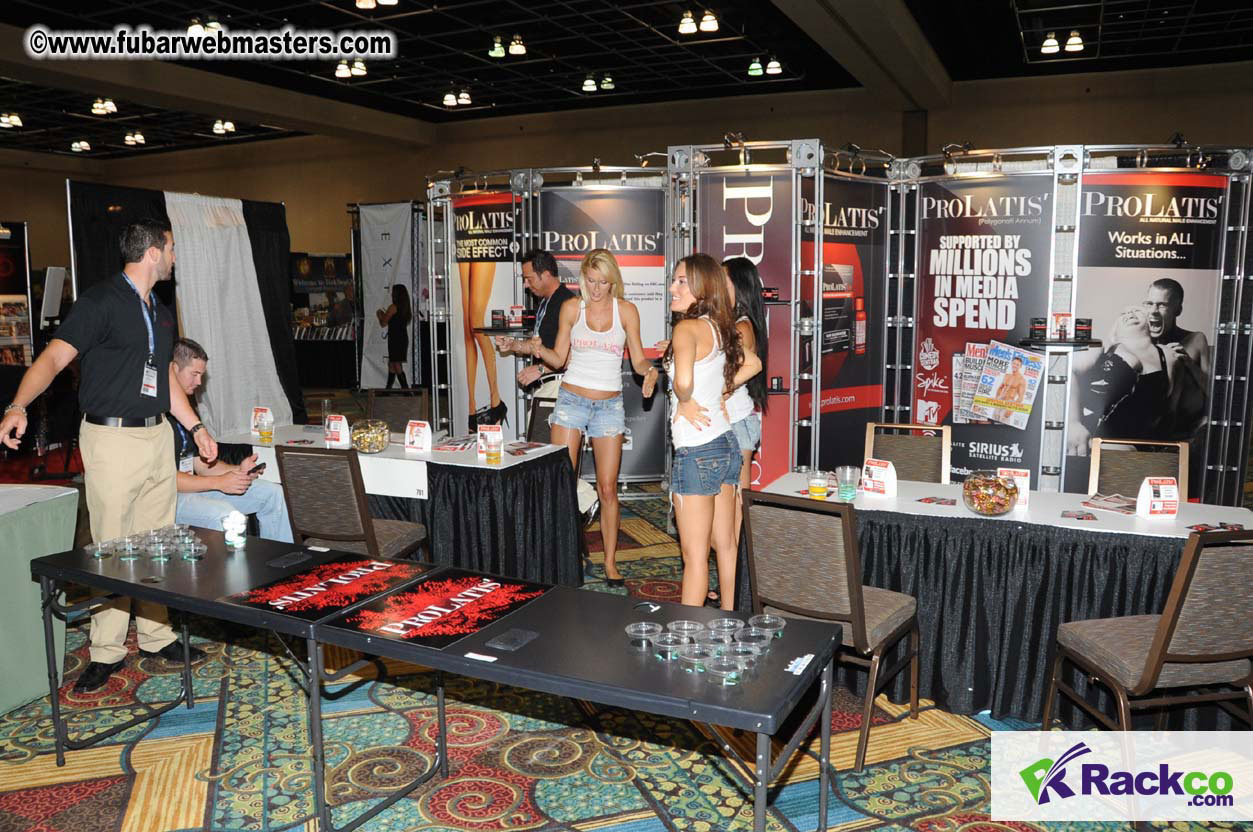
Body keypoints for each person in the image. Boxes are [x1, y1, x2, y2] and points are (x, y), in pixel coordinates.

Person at [0, 218, 217, 692]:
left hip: (157, 435)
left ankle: (158, 637)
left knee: (157, 541)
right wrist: (17, 405)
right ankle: (107, 650)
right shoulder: (99, 301)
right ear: (153, 253)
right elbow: (53, 359)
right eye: (172, 248)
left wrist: (194, 426)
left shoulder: (160, 309)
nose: (176, 256)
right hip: (112, 439)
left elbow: (161, 380)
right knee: (112, 548)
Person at [517, 249, 659, 586]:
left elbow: (637, 360)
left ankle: (610, 562)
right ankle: (562, 556)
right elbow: (560, 359)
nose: (595, 289)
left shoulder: (626, 311)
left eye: (602, 282)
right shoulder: (571, 308)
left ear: (613, 281)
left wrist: (649, 372)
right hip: (571, 401)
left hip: (609, 406)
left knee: (608, 489)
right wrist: (537, 349)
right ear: (583, 278)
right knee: (562, 484)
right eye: (590, 281)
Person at [665, 254, 761, 610]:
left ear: (701, 288)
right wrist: (719, 391)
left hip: (695, 452)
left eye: (681, 282)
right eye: (674, 280)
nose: (672, 288)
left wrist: (685, 397)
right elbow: (753, 363)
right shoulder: (720, 325)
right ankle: (728, 621)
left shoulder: (685, 329)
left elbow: (686, 381)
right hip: (726, 445)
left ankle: (684, 637)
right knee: (727, 545)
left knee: (693, 559)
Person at [169, 337, 293, 542]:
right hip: (167, 499)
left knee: (273, 494)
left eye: (202, 375)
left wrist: (237, 472)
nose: (199, 382)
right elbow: (166, 480)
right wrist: (219, 482)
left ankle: (280, 563)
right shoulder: (156, 415)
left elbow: (200, 465)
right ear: (174, 370)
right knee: (225, 514)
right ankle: (234, 572)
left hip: (192, 490)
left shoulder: (188, 414)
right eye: (195, 374)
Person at [721, 257, 767, 606]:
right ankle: (733, 586)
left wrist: (714, 392)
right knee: (728, 515)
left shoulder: (742, 326)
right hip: (735, 422)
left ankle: (738, 590)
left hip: (737, 423)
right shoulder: (735, 323)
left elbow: (744, 369)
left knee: (735, 514)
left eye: (723, 280)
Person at [1069, 305, 1177, 454]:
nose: (1130, 313)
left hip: (1139, 450)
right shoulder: (1102, 346)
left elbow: (1169, 408)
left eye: (1136, 310)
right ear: (1116, 327)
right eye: (1123, 313)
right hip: (1091, 444)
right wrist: (1072, 422)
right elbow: (1069, 372)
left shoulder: (1168, 357)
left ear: (1150, 321)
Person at [495, 249, 576, 390]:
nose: (525, 284)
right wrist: (513, 344)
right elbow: (538, 346)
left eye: (529, 279)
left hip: (564, 388)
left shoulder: (567, 303)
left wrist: (541, 369)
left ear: (546, 275)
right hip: (549, 386)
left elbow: (575, 354)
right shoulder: (545, 302)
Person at [1143, 277, 1209, 436]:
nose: (1153, 311)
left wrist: (1189, 363)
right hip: (1147, 427)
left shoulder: (1196, 339)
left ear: (1177, 310)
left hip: (1188, 428)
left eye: (1162, 305)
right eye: (1149, 303)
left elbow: (1214, 390)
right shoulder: (1138, 342)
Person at [460, 256, 504, 430]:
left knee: (475, 323)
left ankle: (496, 400)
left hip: (484, 242)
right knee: (467, 328)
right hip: (465, 239)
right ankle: (472, 409)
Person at [376, 283, 413, 389]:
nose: (391, 294)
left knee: (396, 364)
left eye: (393, 292)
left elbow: (383, 322)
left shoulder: (393, 307)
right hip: (401, 338)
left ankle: (406, 390)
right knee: (392, 364)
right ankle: (387, 390)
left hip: (395, 339)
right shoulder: (405, 308)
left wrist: (379, 314)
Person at [994, 355, 1027, 424]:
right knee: (994, 422)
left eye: (1017, 364)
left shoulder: (1021, 380)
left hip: (1009, 403)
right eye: (1014, 363)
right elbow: (1000, 388)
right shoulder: (1007, 375)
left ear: (1020, 366)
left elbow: (1020, 397)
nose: (1015, 365)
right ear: (1012, 364)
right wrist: (996, 398)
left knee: (1003, 425)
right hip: (1000, 401)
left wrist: (1011, 410)